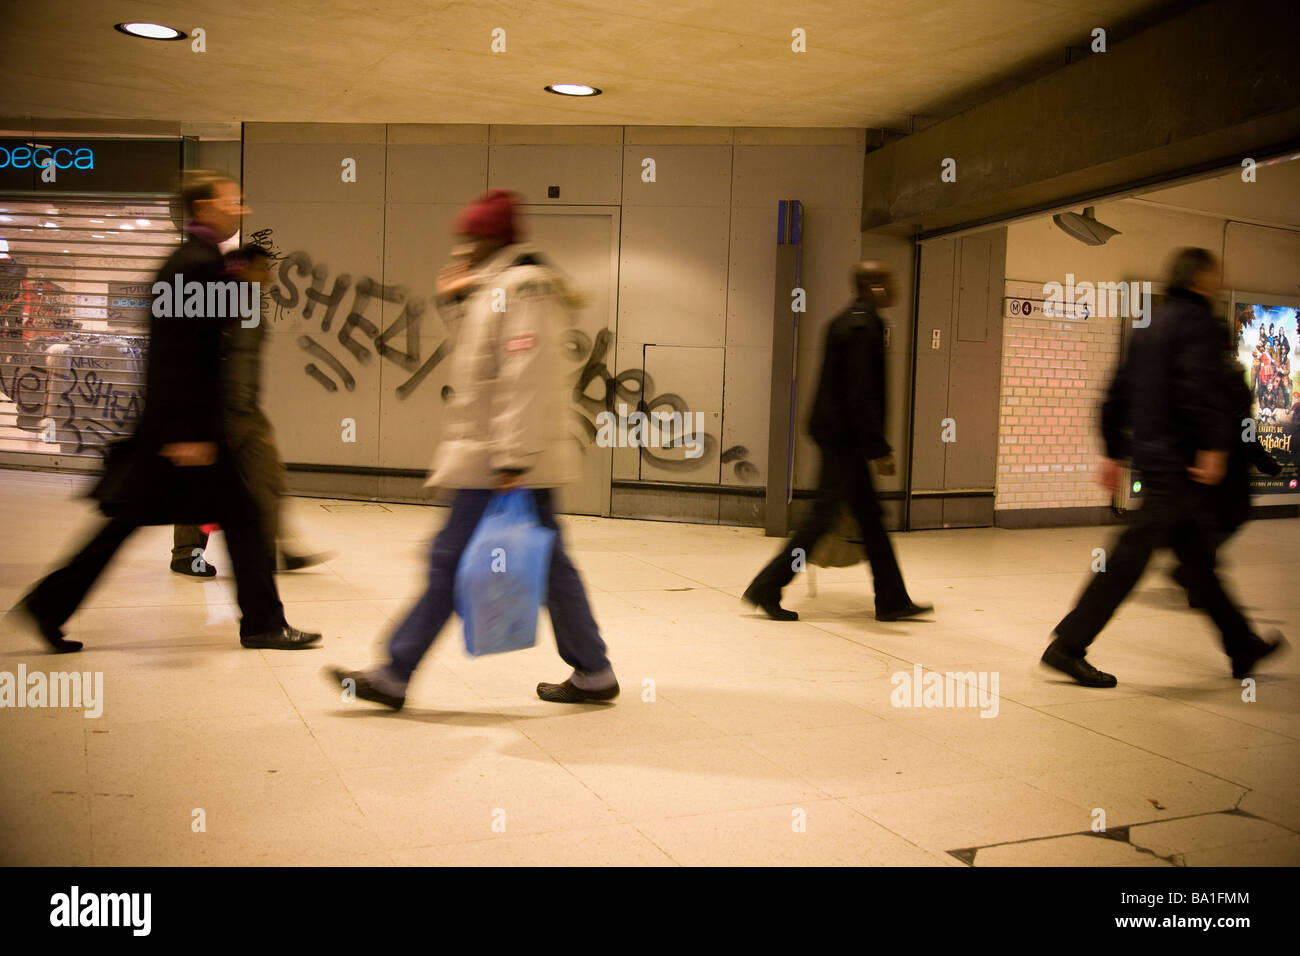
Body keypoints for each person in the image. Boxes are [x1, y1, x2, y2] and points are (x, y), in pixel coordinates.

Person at [328, 189, 617, 709]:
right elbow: (479, 361)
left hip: (501, 459)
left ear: (491, 237)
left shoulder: (523, 288)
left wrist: (512, 458)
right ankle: (594, 671)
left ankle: (395, 672)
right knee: (549, 563)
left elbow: (523, 378)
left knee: (449, 559)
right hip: (503, 456)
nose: (464, 246)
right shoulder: (499, 287)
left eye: (472, 236)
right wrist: (459, 302)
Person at [11, 171, 321, 652]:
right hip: (185, 432)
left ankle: (50, 605)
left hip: (181, 429)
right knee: (237, 517)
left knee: (142, 523)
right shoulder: (193, 266)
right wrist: (188, 432)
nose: (241, 209)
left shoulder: (198, 262)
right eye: (231, 201)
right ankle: (262, 624)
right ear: (203, 209)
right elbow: (178, 356)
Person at [1042, 248, 1285, 687]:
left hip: (1152, 459)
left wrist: (1114, 451)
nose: (1220, 281)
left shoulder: (1149, 324)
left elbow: (1116, 392)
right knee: (1130, 557)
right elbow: (1199, 390)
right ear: (1199, 279)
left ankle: (1241, 644)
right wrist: (1212, 448)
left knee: (1197, 559)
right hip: (1180, 465)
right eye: (1216, 275)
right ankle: (1068, 645)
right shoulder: (1200, 325)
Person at [742, 260, 931, 623]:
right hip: (845, 440)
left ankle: (892, 599)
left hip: (840, 436)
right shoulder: (862, 326)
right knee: (820, 518)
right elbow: (860, 395)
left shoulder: (848, 319)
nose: (895, 287)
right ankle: (767, 585)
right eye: (888, 280)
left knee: (870, 519)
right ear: (872, 285)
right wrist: (878, 449)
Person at [170, 244, 333, 577]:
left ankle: (276, 551)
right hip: (219, 411)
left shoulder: (253, 306)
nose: (268, 275)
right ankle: (186, 553)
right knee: (203, 484)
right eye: (261, 268)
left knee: (268, 479)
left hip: (248, 412)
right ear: (241, 270)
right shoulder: (218, 306)